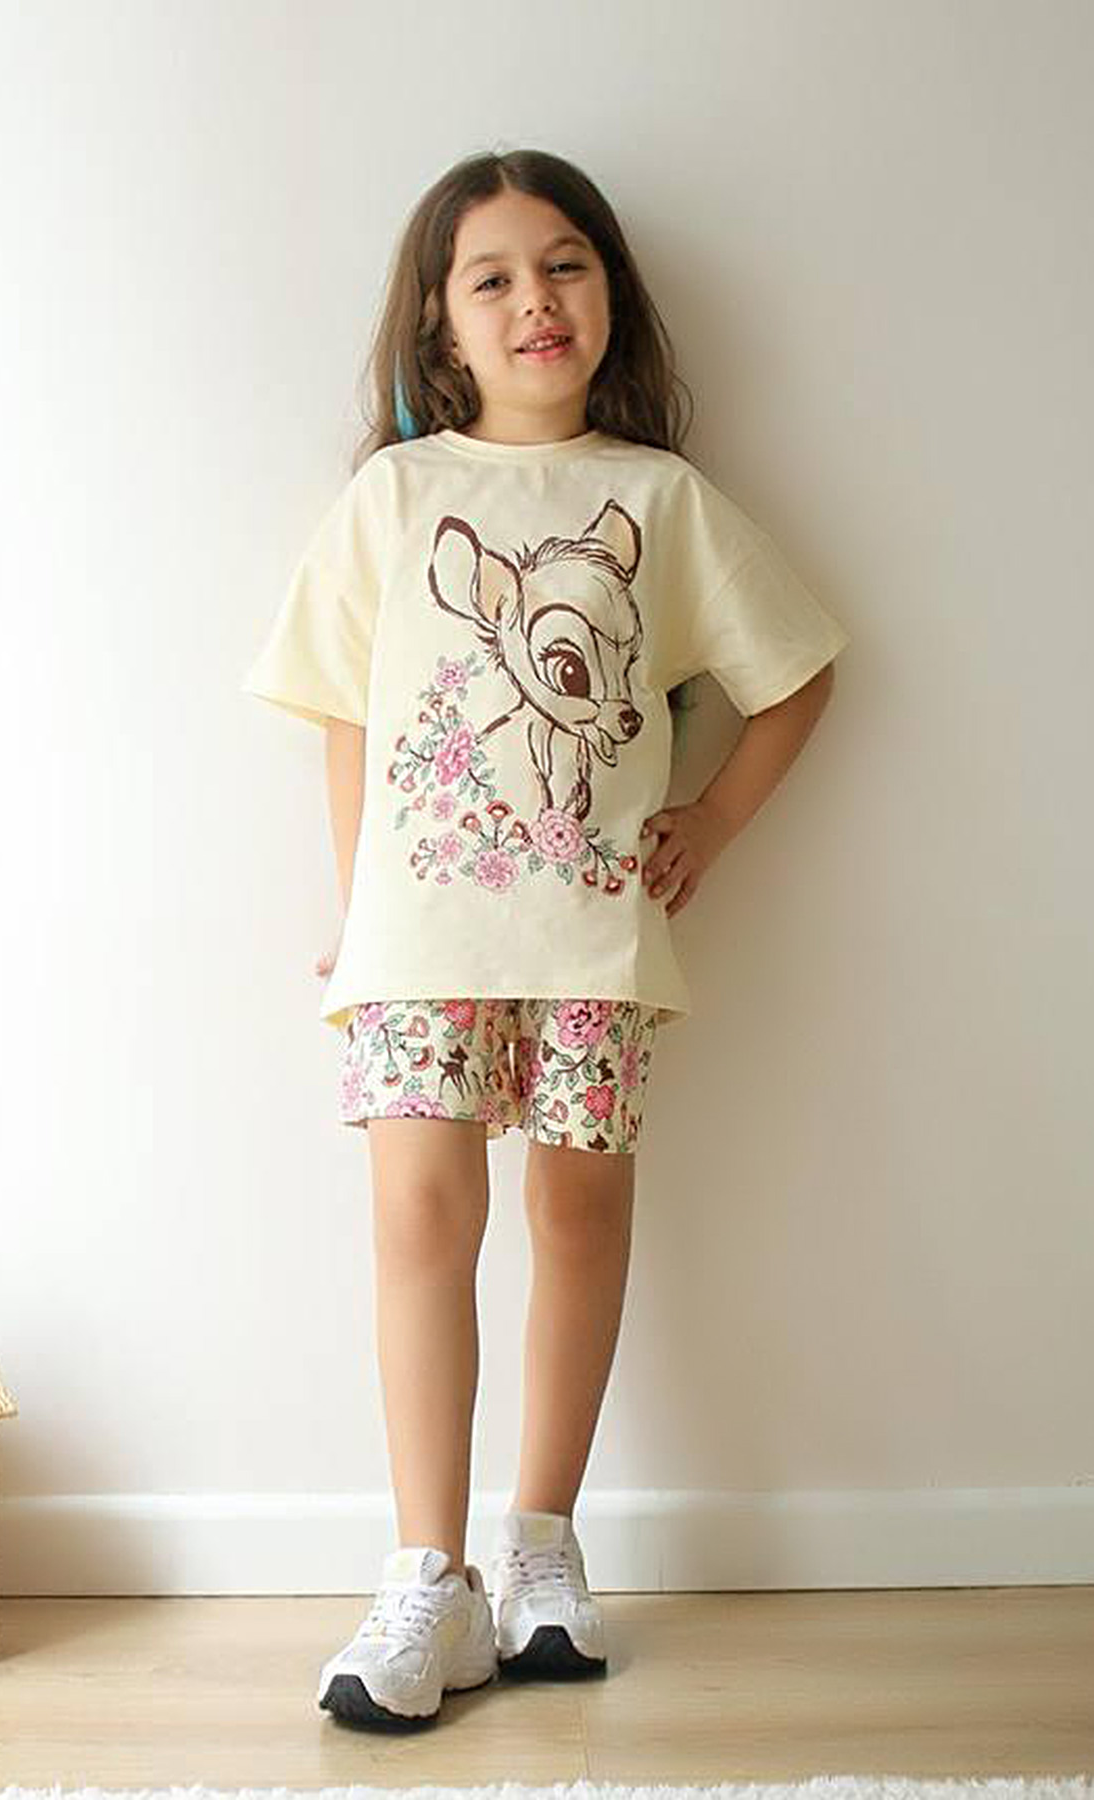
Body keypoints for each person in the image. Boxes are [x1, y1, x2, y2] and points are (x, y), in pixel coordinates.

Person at [242, 147, 849, 1732]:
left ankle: (542, 1546)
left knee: (577, 1215)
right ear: (441, 326)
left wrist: (711, 822)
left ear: (610, 295)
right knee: (420, 1221)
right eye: (494, 276)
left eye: (565, 264)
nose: (535, 301)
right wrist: (361, 907)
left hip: (591, 935)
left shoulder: (661, 500)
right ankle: (426, 1579)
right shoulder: (395, 498)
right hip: (418, 935)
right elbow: (346, 718)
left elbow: (795, 673)